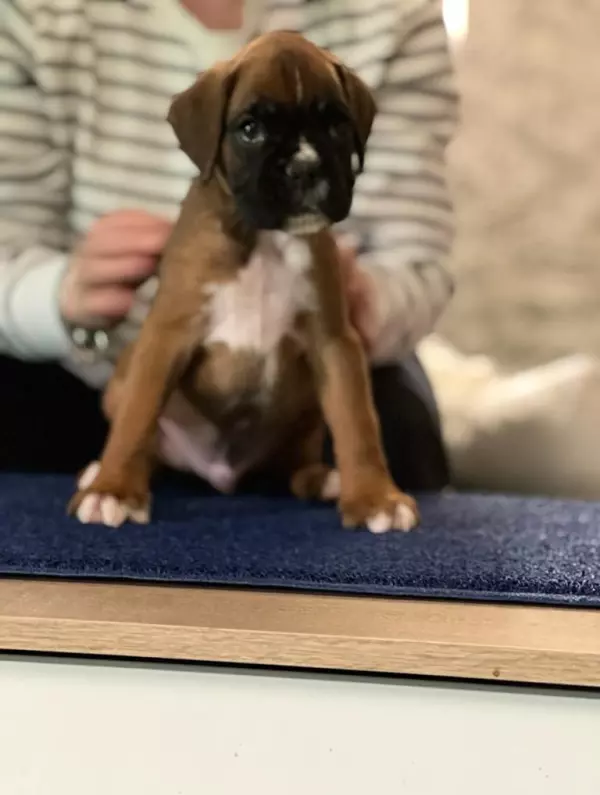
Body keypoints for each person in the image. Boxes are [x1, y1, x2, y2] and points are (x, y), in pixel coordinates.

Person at [0, 0, 458, 489]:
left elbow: (418, 258)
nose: (304, 161)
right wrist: (58, 293)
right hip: (90, 373)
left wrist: (364, 302)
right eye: (253, 129)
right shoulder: (33, 11)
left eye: (333, 125)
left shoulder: (396, 10)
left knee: (401, 425)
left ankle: (333, 486)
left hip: (306, 384)